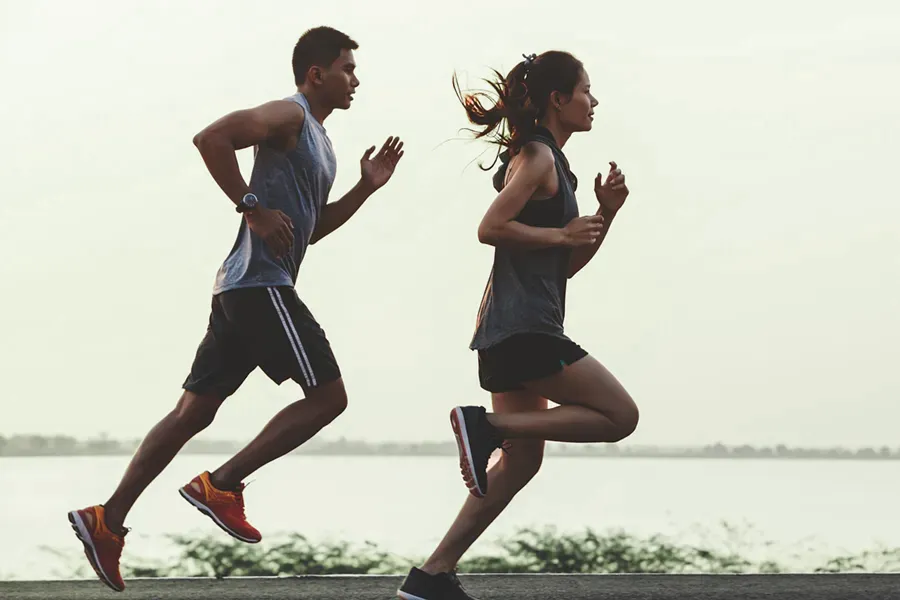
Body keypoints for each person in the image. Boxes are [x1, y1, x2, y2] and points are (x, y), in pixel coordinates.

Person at [67, 26, 405, 592]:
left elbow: (309, 231)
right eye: (347, 69)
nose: (356, 79)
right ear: (316, 74)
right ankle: (221, 484)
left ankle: (107, 520)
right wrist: (250, 207)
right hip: (260, 287)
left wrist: (366, 188)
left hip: (240, 288)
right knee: (328, 397)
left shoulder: (319, 140)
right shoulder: (288, 114)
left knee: (192, 413)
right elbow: (211, 138)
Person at [397, 50, 638, 600]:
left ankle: (430, 576)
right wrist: (559, 235)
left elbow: (564, 266)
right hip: (525, 330)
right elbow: (490, 227)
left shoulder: (555, 165)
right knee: (620, 416)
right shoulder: (537, 157)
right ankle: (486, 427)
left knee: (523, 462)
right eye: (585, 91)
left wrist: (606, 216)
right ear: (558, 99)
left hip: (513, 329)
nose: (593, 101)